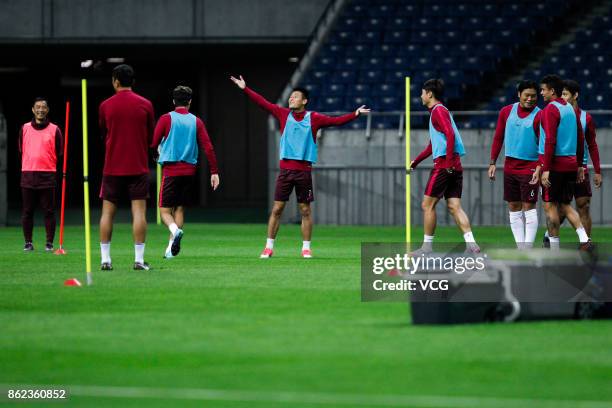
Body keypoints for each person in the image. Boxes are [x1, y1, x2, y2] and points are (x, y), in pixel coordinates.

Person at [229, 75, 370, 258]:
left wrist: (355, 113)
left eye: (295, 96)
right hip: (285, 171)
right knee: (277, 209)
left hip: (304, 172)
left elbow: (336, 121)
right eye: (290, 97)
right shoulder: (282, 114)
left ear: (304, 101)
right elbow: (263, 103)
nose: (291, 99)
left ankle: (306, 248)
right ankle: (269, 247)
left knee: (305, 210)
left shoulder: (314, 118)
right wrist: (245, 88)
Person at [409, 79, 479, 253]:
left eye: (422, 92)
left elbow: (450, 135)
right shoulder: (440, 112)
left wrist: (447, 163)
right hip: (454, 165)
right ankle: (472, 245)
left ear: (429, 94)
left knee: (427, 205)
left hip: (444, 165)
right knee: (454, 206)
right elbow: (433, 145)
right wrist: (416, 161)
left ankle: (426, 248)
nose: (421, 96)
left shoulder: (438, 111)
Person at [151, 86, 220, 258]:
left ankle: (175, 231)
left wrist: (155, 155)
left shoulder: (166, 118)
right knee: (179, 209)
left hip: (171, 171)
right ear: (190, 101)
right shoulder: (196, 121)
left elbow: (153, 143)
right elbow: (208, 147)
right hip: (189, 173)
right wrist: (214, 171)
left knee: (165, 211)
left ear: (174, 101)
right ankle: (170, 251)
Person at [98, 64, 155, 270]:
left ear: (115, 81)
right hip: (138, 166)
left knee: (107, 213)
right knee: (139, 213)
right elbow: (151, 136)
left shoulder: (105, 105)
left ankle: (105, 260)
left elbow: (103, 132)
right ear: (133, 82)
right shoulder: (146, 104)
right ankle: (139, 261)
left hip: (112, 167)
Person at [543, 79, 602, 245]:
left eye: (566, 94)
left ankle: (584, 244)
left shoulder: (585, 118)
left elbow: (591, 144)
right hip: (568, 166)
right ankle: (550, 236)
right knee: (562, 207)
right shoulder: (561, 112)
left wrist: (596, 170)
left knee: (583, 206)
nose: (563, 97)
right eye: (561, 94)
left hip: (577, 168)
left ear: (575, 95)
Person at [488, 80, 541, 249]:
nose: (530, 99)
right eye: (527, 95)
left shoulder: (541, 115)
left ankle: (528, 247)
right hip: (510, 165)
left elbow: (545, 143)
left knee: (529, 206)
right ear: (519, 94)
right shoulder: (506, 112)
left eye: (534, 96)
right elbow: (498, 137)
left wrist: (541, 166)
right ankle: (521, 247)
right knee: (513, 206)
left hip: (531, 166)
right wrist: (492, 162)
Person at [18, 97, 63, 252]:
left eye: (43, 107)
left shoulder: (55, 129)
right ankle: (28, 242)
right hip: (28, 174)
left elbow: (59, 152)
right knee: (27, 211)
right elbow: (21, 150)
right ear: (33, 109)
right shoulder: (24, 128)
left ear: (47, 110)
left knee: (49, 211)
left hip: (47, 175)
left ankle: (49, 243)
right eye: (38, 107)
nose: (40, 110)